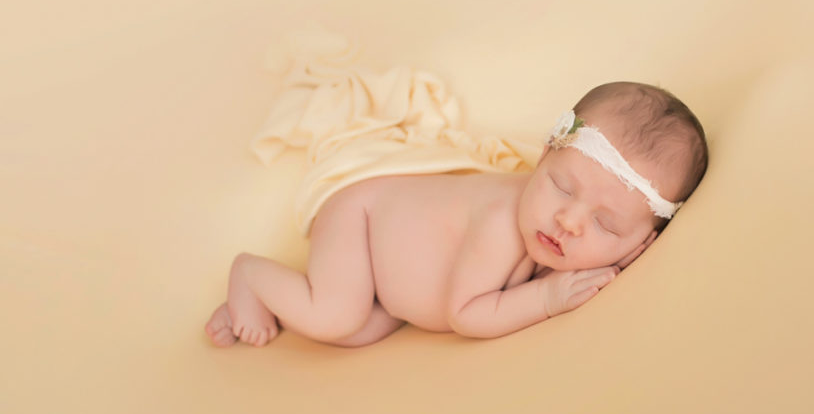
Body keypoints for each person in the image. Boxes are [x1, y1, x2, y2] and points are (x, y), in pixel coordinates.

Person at [204, 81, 708, 348]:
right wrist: (550, 296)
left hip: (385, 277)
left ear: (643, 242)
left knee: (361, 332)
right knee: (337, 315)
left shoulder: (580, 229)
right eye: (559, 185)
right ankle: (251, 275)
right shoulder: (501, 223)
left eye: (606, 224)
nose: (569, 221)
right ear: (543, 158)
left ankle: (277, 305)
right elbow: (466, 315)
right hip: (360, 219)